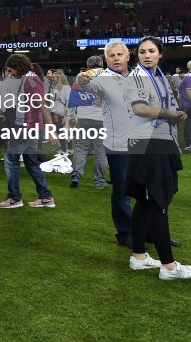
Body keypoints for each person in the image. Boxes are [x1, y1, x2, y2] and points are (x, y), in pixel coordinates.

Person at [124, 37, 191, 280]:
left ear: (160, 54)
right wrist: (168, 113)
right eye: (142, 51)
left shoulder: (158, 76)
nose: (146, 55)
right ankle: (169, 266)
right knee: (157, 200)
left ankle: (139, 256)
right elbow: (139, 108)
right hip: (148, 143)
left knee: (145, 201)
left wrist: (174, 114)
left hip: (156, 141)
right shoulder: (138, 76)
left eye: (151, 51)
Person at [78, 42, 134, 247]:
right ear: (106, 59)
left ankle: (149, 231)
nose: (117, 58)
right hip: (118, 144)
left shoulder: (140, 77)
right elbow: (83, 83)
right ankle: (125, 233)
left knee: (147, 190)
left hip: (144, 142)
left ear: (128, 56)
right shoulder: (102, 79)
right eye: (111, 55)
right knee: (122, 189)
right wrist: (83, 76)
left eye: (120, 54)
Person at [0, 54, 55, 209]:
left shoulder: (30, 80)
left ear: (18, 67)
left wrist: (50, 129)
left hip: (26, 127)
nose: (9, 74)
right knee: (31, 163)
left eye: (11, 70)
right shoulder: (28, 79)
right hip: (29, 126)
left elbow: (43, 105)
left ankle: (15, 198)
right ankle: (46, 197)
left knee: (10, 160)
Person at [69, 56, 108, 189]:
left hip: (83, 117)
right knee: (101, 151)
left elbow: (72, 98)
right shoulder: (108, 76)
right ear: (101, 64)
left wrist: (71, 117)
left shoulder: (80, 76)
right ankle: (99, 182)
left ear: (88, 65)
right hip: (102, 119)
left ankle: (76, 174)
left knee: (81, 147)